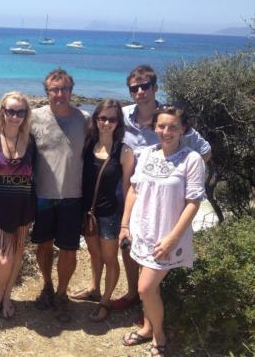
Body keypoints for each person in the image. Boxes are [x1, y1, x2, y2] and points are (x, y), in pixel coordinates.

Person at [112, 64, 211, 312]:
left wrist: (181, 181)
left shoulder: (170, 118)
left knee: (159, 253)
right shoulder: (124, 116)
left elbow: (205, 152)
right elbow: (99, 125)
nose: (140, 92)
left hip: (163, 202)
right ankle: (134, 293)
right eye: (134, 88)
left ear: (155, 88)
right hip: (129, 193)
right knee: (130, 244)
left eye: (145, 86)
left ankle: (150, 300)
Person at [120, 106, 205, 357]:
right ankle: (147, 328)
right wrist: (125, 225)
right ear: (154, 127)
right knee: (150, 288)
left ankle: (160, 336)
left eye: (173, 127)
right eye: (161, 126)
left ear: (183, 129)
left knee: (145, 288)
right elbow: (134, 190)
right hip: (143, 231)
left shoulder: (192, 159)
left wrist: (172, 238)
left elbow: (194, 202)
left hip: (169, 236)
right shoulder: (146, 154)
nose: (166, 131)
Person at [30, 69, 87, 323]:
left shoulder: (84, 119)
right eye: (54, 89)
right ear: (47, 92)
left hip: (72, 196)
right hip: (42, 195)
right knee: (43, 245)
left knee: (68, 249)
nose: (60, 94)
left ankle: (62, 294)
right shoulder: (33, 118)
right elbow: (11, 135)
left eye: (64, 89)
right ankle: (47, 285)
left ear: (71, 91)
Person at [71, 99, 134, 322]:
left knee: (109, 259)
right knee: (94, 254)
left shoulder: (124, 152)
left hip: (110, 215)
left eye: (112, 119)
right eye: (102, 118)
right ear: (96, 120)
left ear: (118, 123)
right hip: (88, 213)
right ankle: (94, 288)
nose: (106, 123)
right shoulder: (89, 146)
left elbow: (128, 189)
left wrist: (126, 222)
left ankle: (105, 301)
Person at [0, 92, 36, 318]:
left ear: (26, 115)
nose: (15, 116)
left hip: (24, 206)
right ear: (2, 111)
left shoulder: (31, 141)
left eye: (20, 112)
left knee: (17, 253)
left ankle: (7, 297)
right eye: (10, 111)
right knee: (5, 256)